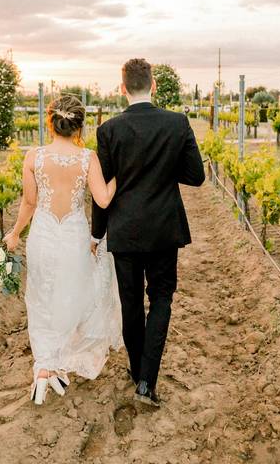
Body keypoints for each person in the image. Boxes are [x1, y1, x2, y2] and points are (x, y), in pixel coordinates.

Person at [91, 58, 206, 407]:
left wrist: (98, 234)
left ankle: (135, 370)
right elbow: (196, 176)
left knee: (130, 304)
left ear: (122, 87)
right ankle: (147, 380)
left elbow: (101, 191)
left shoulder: (108, 130)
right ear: (153, 85)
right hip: (162, 228)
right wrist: (164, 171)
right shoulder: (176, 123)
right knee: (161, 298)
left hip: (124, 230)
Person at [3, 95, 122, 405]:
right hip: (73, 235)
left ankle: (44, 369)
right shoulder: (88, 159)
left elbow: (29, 203)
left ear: (51, 121)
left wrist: (15, 234)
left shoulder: (34, 157)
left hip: (42, 235)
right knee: (70, 297)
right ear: (79, 126)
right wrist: (123, 174)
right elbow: (104, 200)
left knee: (42, 299)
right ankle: (53, 364)